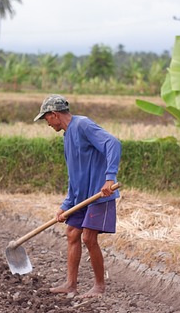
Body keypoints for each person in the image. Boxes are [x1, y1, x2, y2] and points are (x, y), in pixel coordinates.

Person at [34, 94, 121, 298]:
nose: (46, 123)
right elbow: (75, 175)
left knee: (89, 238)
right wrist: (66, 204)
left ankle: (99, 286)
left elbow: (113, 143)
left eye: (45, 118)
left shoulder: (83, 125)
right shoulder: (67, 136)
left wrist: (110, 178)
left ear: (54, 115)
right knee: (72, 233)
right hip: (81, 197)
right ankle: (70, 285)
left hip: (99, 194)